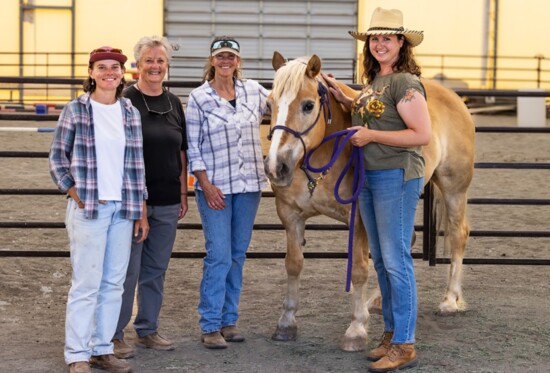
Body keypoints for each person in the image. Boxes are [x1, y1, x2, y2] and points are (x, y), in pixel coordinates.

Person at [324, 7, 431, 373]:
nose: (379, 44)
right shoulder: (373, 84)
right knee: (383, 259)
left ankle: (405, 343)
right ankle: (391, 334)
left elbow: (421, 135)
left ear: (401, 43)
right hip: (369, 178)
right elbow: (362, 105)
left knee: (397, 259)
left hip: (396, 176)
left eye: (387, 38)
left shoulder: (405, 83)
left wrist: (371, 135)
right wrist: (335, 88)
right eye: (374, 38)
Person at [49, 46, 148, 373]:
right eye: (102, 67)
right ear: (91, 73)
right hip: (89, 208)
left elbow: (137, 165)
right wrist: (72, 190)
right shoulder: (76, 110)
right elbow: (57, 157)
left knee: (114, 283)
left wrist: (141, 209)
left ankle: (102, 348)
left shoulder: (129, 112)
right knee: (87, 282)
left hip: (123, 209)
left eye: (115, 68)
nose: (110, 72)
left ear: (123, 74)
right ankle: (77, 353)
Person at [186, 36, 269, 349]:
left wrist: (316, 81)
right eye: (220, 56)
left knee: (236, 255)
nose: (225, 61)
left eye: (230, 56)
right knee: (218, 255)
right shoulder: (199, 98)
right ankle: (209, 324)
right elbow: (193, 146)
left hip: (248, 186)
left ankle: (228, 320)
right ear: (211, 61)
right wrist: (205, 185)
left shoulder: (253, 90)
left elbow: (284, 100)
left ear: (238, 61)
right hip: (216, 188)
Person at [112, 35, 188, 358]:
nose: (154, 66)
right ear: (137, 66)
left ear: (166, 66)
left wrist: (184, 192)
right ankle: (114, 334)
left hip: (169, 201)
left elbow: (182, 151)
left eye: (160, 61)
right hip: (133, 202)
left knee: (156, 268)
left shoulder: (174, 104)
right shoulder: (125, 101)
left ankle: (147, 329)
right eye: (149, 60)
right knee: (127, 269)